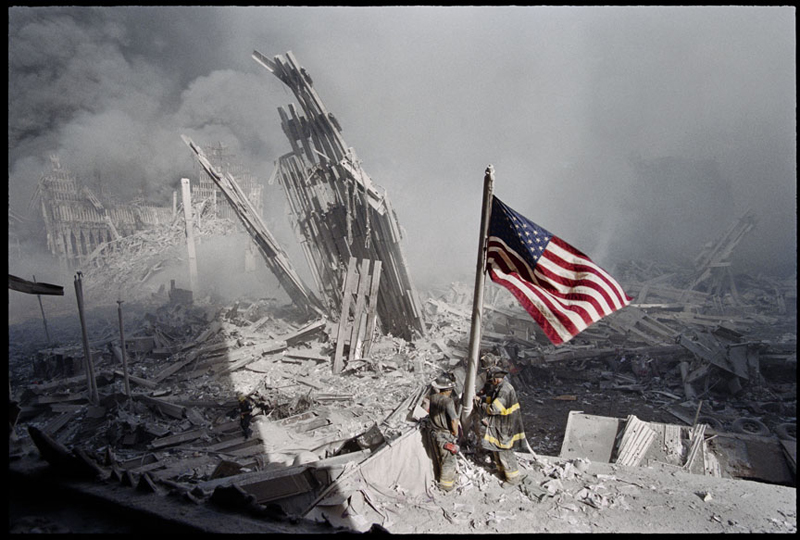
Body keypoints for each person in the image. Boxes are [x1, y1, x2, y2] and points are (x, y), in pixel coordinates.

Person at [474, 367, 526, 485]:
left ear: (496, 379)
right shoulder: (500, 387)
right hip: (501, 423)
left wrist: (480, 403)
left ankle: (513, 479)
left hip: (505, 425)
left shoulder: (504, 391)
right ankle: (502, 471)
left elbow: (494, 409)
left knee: (504, 451)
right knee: (496, 448)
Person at [427, 374, 460, 492]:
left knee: (439, 458)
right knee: (448, 460)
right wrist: (455, 433)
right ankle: (446, 485)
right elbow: (454, 420)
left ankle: (440, 477)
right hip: (445, 435)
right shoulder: (448, 402)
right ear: (448, 389)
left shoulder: (433, 398)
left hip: (434, 434)